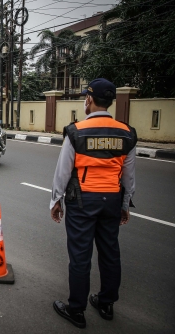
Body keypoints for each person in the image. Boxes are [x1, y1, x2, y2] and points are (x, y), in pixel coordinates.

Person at [50, 78, 137, 329]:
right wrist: (125, 203)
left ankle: (76, 310)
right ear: (110, 102)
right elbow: (129, 175)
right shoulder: (126, 133)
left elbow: (63, 171)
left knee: (80, 256)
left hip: (82, 201)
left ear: (88, 99)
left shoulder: (76, 131)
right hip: (111, 199)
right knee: (110, 252)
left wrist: (56, 200)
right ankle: (106, 303)